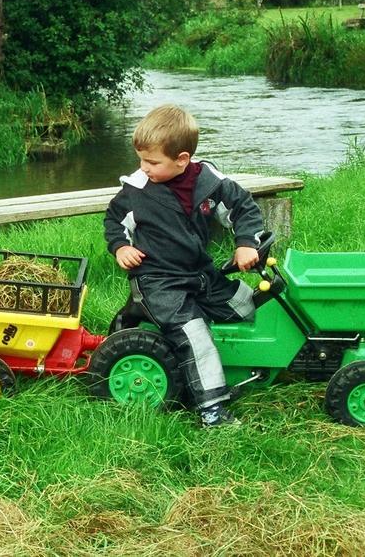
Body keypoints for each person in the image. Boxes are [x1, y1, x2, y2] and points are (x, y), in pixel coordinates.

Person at [103, 104, 264, 427]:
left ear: (182, 160)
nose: (144, 167)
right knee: (195, 334)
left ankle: (264, 361)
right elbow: (114, 220)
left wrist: (246, 243)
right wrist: (121, 247)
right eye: (141, 160)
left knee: (251, 306)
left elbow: (243, 208)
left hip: (200, 274)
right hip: (159, 281)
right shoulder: (137, 190)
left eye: (152, 162)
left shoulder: (209, 182)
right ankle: (213, 409)